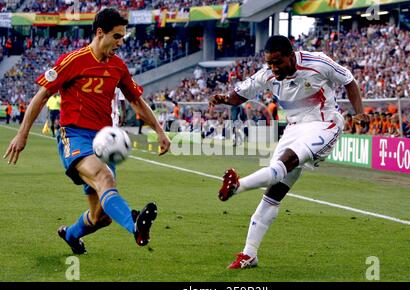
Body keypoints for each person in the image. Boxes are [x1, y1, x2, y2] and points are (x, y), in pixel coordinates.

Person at [3, 8, 171, 254]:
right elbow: (42, 95)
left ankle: (70, 235)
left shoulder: (118, 67)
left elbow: (136, 101)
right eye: (116, 36)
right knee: (105, 179)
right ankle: (135, 224)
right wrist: (22, 133)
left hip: (104, 140)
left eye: (123, 37)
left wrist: (159, 130)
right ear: (100, 33)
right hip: (75, 135)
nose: (120, 43)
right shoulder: (73, 60)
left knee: (100, 217)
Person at [209, 35, 369, 269]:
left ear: (291, 56)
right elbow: (240, 94)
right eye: (270, 63)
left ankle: (237, 186)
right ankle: (249, 253)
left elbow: (349, 81)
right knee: (273, 192)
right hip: (294, 129)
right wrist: (226, 99)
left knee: (284, 164)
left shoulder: (318, 62)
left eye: (278, 62)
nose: (273, 68)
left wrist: (358, 112)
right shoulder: (267, 74)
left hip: (324, 124)